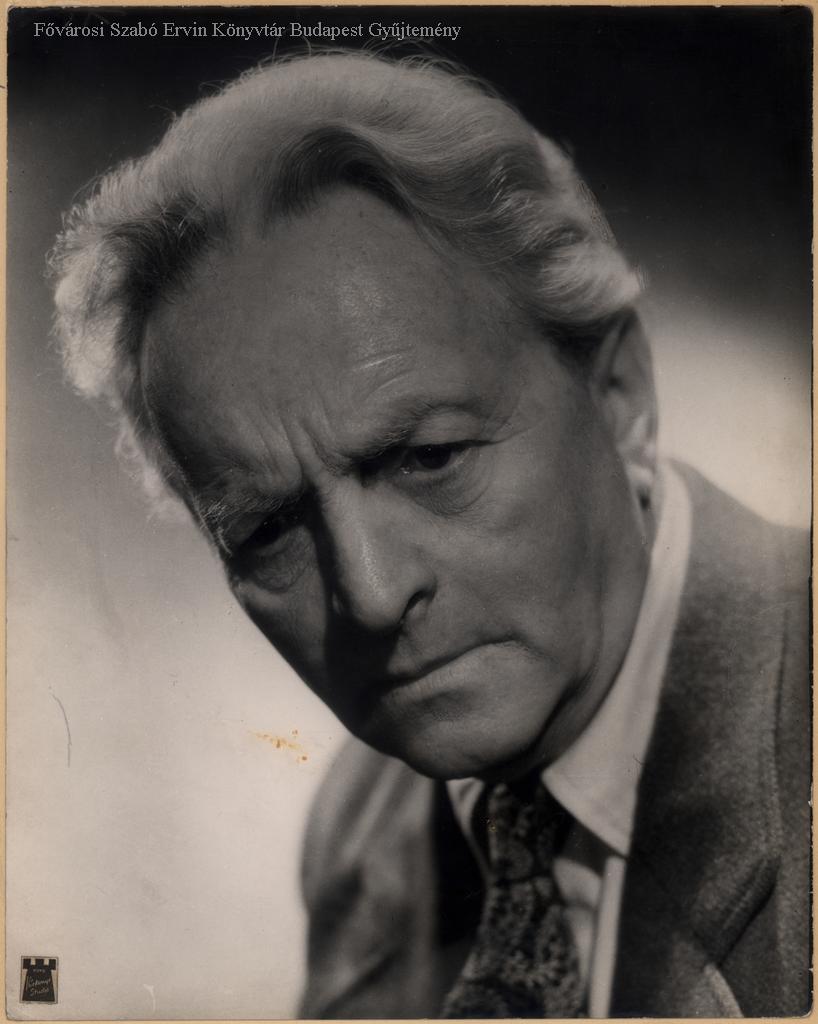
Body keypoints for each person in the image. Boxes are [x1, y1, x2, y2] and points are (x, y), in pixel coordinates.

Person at [50, 51, 809, 1018]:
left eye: (429, 457)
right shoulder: (363, 827)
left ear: (619, 394)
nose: (370, 595)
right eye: (269, 528)